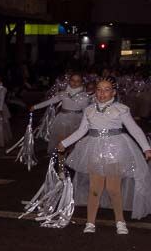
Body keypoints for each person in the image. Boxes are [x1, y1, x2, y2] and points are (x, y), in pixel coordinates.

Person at [58, 77, 151, 234]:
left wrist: (146, 148)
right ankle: (90, 222)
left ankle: (120, 221)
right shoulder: (89, 110)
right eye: (99, 89)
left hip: (115, 150)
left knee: (113, 188)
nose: (102, 93)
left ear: (113, 92)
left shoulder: (120, 109)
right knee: (95, 188)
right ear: (95, 92)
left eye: (107, 89)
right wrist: (65, 143)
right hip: (94, 150)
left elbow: (134, 129)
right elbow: (82, 131)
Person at [30, 72, 90, 152]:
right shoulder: (63, 94)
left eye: (78, 81)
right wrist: (35, 107)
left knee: (74, 142)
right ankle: (60, 162)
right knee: (61, 141)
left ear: (82, 82)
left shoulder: (84, 96)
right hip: (62, 121)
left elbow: (86, 112)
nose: (75, 83)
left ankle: (70, 160)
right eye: (72, 80)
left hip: (77, 121)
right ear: (69, 81)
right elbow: (50, 101)